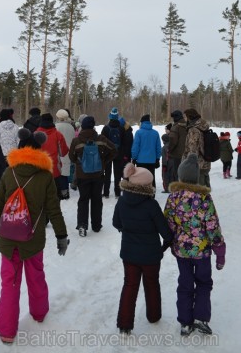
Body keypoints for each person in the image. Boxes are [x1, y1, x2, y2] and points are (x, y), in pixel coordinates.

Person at [0, 128, 69, 344]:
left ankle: (6, 331)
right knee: (36, 277)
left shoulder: (8, 172)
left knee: (9, 284)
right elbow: (54, 209)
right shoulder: (44, 177)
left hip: (8, 240)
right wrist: (61, 236)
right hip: (32, 240)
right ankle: (39, 313)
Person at [164, 154, 226, 336]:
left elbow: (168, 223)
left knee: (185, 284)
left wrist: (170, 241)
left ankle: (185, 322)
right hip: (202, 252)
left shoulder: (173, 198)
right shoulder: (204, 199)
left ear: (181, 176)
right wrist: (220, 250)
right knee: (204, 282)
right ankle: (200, 318)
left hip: (182, 252)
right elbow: (212, 226)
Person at [113, 163, 173, 335]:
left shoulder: (122, 201)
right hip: (151, 256)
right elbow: (166, 233)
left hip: (129, 255)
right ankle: (154, 316)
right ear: (147, 185)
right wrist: (164, 246)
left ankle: (124, 324)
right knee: (152, 284)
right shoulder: (151, 205)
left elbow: (116, 223)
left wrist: (127, 229)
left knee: (130, 285)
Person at [69, 115, 116, 236]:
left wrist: (80, 163)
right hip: (98, 175)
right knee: (97, 199)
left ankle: (82, 226)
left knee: (83, 200)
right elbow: (114, 150)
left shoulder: (76, 141)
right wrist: (103, 161)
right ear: (93, 126)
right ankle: (96, 225)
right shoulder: (101, 139)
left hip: (82, 176)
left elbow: (71, 157)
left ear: (82, 126)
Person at [35, 113, 69, 200]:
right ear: (52, 121)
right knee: (55, 198)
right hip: (55, 170)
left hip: (39, 169)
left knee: (40, 198)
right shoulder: (58, 134)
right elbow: (63, 152)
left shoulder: (35, 134)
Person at [101, 107, 128, 198]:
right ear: (117, 117)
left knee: (107, 174)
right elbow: (124, 143)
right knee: (117, 174)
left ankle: (106, 193)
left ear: (110, 116)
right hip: (118, 153)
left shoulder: (105, 128)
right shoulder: (121, 128)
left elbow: (102, 142)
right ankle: (117, 193)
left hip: (108, 154)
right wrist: (123, 153)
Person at [183, 108, 211, 188]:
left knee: (198, 190)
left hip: (197, 164)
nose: (184, 119)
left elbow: (193, 149)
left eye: (185, 116)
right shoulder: (203, 126)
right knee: (205, 187)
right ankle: (207, 200)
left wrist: (189, 164)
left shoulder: (193, 130)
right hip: (205, 161)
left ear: (189, 116)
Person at [131, 114, 161, 186]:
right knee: (151, 178)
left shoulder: (139, 133)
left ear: (142, 122)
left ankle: (141, 195)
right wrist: (157, 159)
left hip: (141, 161)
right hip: (152, 161)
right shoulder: (155, 133)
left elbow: (136, 147)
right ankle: (151, 194)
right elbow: (158, 147)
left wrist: (134, 158)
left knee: (141, 179)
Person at [55, 109, 75, 199]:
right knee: (65, 173)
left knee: (58, 172)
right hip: (68, 151)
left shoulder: (56, 127)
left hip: (59, 152)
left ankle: (58, 192)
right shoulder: (71, 127)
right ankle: (65, 192)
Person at [167, 110, 187, 185]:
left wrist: (169, 150)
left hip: (177, 155)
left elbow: (172, 141)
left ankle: (179, 192)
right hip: (187, 154)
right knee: (185, 175)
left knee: (177, 174)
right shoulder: (187, 125)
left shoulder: (175, 127)